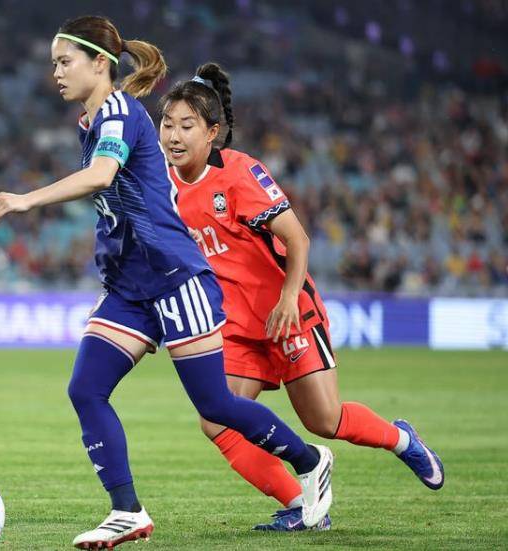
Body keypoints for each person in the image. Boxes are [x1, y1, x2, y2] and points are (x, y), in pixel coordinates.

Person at [0, 16, 333, 549]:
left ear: (99, 63)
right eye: (54, 63)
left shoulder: (120, 112)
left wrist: (26, 199)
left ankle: (310, 462)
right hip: (130, 285)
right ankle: (127, 512)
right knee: (86, 389)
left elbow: (102, 176)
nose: (55, 72)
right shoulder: (91, 120)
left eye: (64, 61)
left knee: (216, 406)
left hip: (174, 279)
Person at [159, 62, 444, 531]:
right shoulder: (163, 186)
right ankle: (302, 505)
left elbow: (298, 238)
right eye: (167, 124)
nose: (173, 135)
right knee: (216, 420)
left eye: (186, 125)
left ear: (211, 133)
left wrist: (290, 297)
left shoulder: (240, 173)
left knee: (324, 420)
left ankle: (402, 440)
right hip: (235, 325)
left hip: (286, 312)